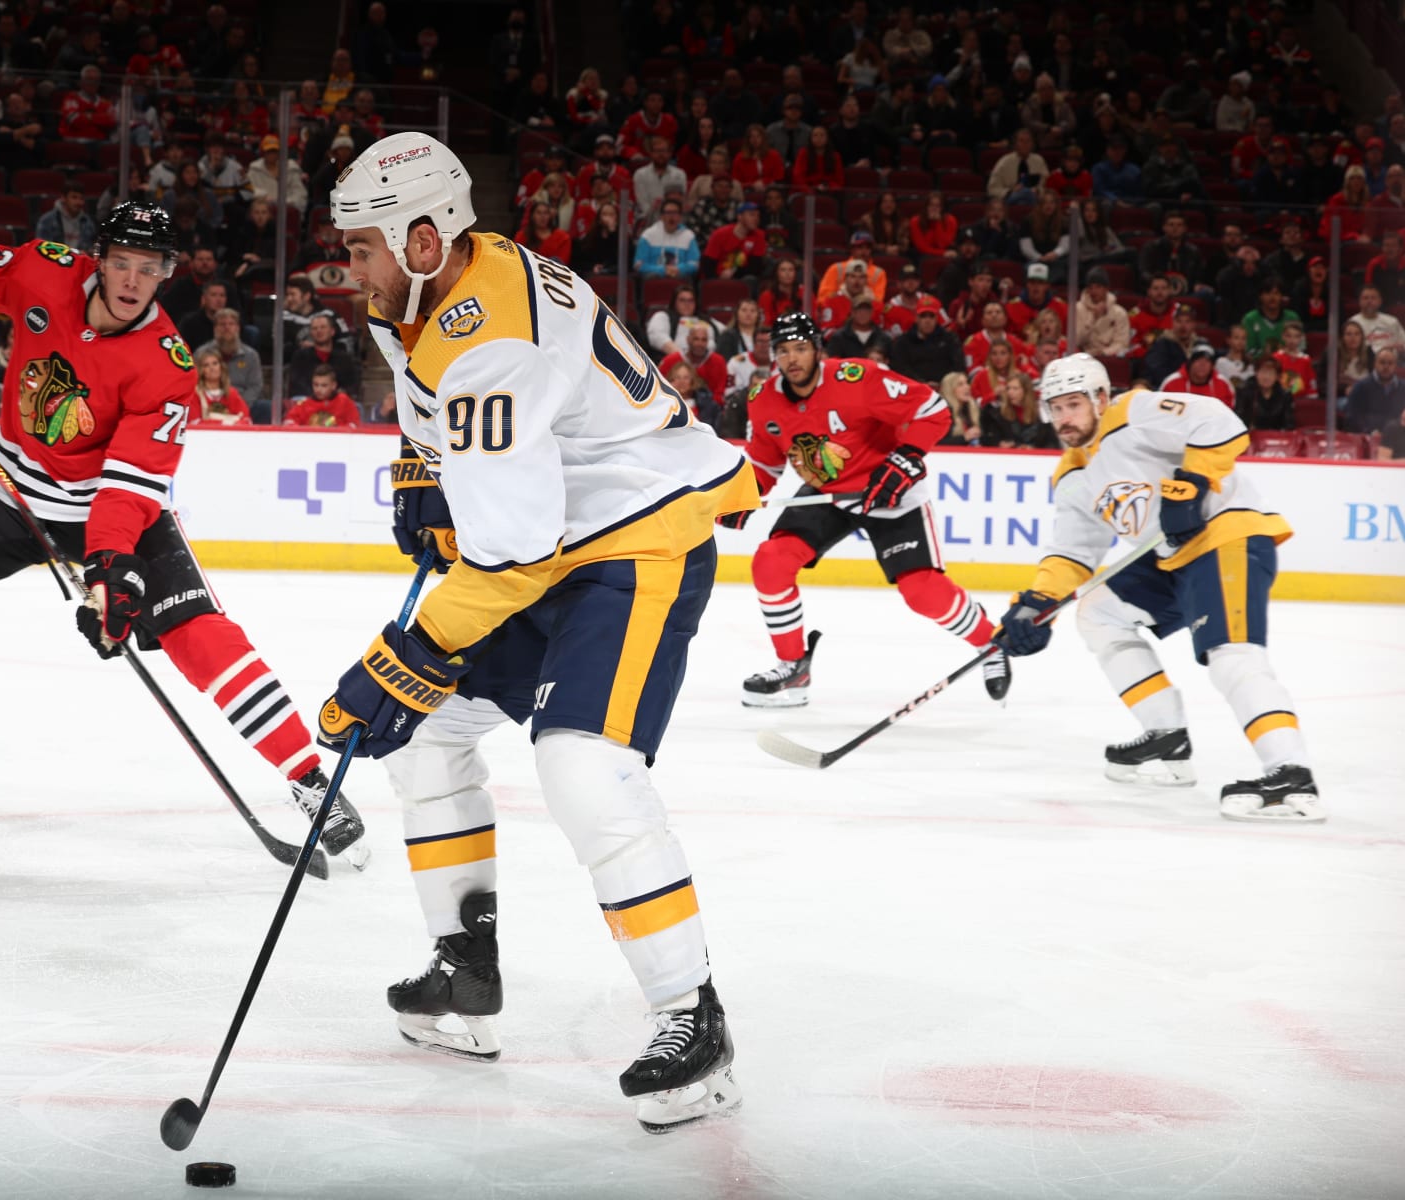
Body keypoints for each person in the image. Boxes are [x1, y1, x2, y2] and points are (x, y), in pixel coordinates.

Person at [325, 131, 755, 1129]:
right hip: (555, 535)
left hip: (631, 543)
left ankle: (694, 1016)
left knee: (582, 766)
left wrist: (400, 661)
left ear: (423, 238)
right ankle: (463, 975)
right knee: (433, 734)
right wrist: (424, 473)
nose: (351, 266)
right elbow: (427, 407)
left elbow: (507, 556)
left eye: (361, 248)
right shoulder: (429, 286)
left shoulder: (493, 343)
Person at [0, 203, 367, 864]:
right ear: (98, 259)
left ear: (165, 275)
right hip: (17, 491)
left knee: (200, 638)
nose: (132, 280)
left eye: (149, 268)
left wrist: (111, 569)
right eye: (122, 263)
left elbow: (128, 488)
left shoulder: (168, 366)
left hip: (115, 506)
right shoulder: (42, 272)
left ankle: (310, 781)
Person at [997, 354, 1319, 821]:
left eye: (1073, 404)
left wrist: (1190, 484)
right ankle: (1167, 737)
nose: (1064, 418)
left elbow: (1219, 420)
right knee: (1097, 613)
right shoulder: (1071, 473)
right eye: (1055, 408)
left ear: (1100, 398)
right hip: (1171, 556)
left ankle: (1290, 769)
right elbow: (1073, 551)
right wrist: (1034, 605)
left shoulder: (1134, 411)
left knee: (1231, 655)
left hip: (1225, 535)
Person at [728, 311, 1010, 708]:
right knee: (770, 560)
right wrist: (743, 494)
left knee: (922, 593)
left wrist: (906, 459)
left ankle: (990, 644)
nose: (792, 359)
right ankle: (793, 669)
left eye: (800, 348)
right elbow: (764, 461)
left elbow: (932, 409)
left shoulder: (857, 379)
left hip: (886, 487)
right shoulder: (763, 400)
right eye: (783, 351)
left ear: (818, 350)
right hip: (829, 493)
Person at [1345, 347, 1405, 434]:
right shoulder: (1360, 387)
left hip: (1397, 439)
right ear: (1375, 364)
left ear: (1396, 366)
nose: (1386, 366)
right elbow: (1353, 417)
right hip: (1366, 437)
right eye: (1382, 362)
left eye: (1390, 363)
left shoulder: (1403, 388)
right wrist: (1370, 432)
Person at [284, 362, 362, 426]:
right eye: (316, 385)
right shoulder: (304, 404)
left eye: (324, 385)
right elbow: (289, 422)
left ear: (333, 385)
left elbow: (354, 424)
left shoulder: (344, 401)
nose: (319, 389)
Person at [1158, 345, 1237, 404]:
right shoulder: (1171, 383)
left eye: (1207, 361)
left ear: (1212, 366)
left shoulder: (1223, 384)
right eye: (1198, 360)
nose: (1202, 364)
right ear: (1190, 363)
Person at [1235, 356, 1294, 431]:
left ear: (1277, 377)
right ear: (1256, 373)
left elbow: (1289, 424)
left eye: (1270, 373)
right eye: (1263, 372)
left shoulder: (1285, 394)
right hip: (1252, 437)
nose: (1266, 377)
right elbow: (1239, 421)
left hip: (1277, 437)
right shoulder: (1244, 391)